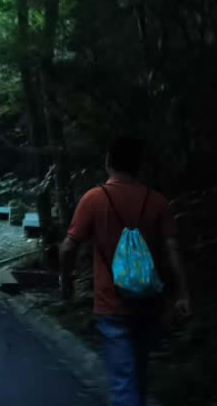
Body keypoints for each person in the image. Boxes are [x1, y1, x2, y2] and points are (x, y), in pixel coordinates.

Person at [59, 135, 191, 406]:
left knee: (123, 383)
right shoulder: (157, 201)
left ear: (108, 161)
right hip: (150, 302)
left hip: (111, 305)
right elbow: (172, 249)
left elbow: (68, 247)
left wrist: (66, 279)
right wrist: (182, 294)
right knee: (138, 376)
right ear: (139, 164)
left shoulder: (94, 199)